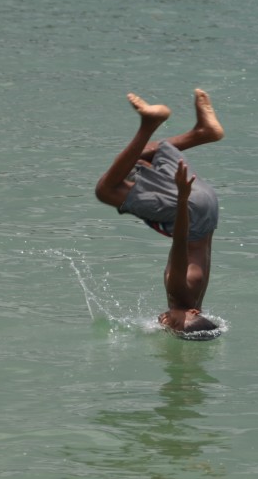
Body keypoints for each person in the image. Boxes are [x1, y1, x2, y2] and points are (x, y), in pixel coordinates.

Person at [94, 89, 224, 336]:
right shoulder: (179, 294)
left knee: (145, 157)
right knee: (106, 190)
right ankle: (149, 123)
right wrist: (183, 198)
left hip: (207, 208)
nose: (166, 322)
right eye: (175, 323)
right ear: (194, 314)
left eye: (170, 327)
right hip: (190, 209)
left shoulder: (196, 299)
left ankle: (202, 133)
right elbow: (180, 241)